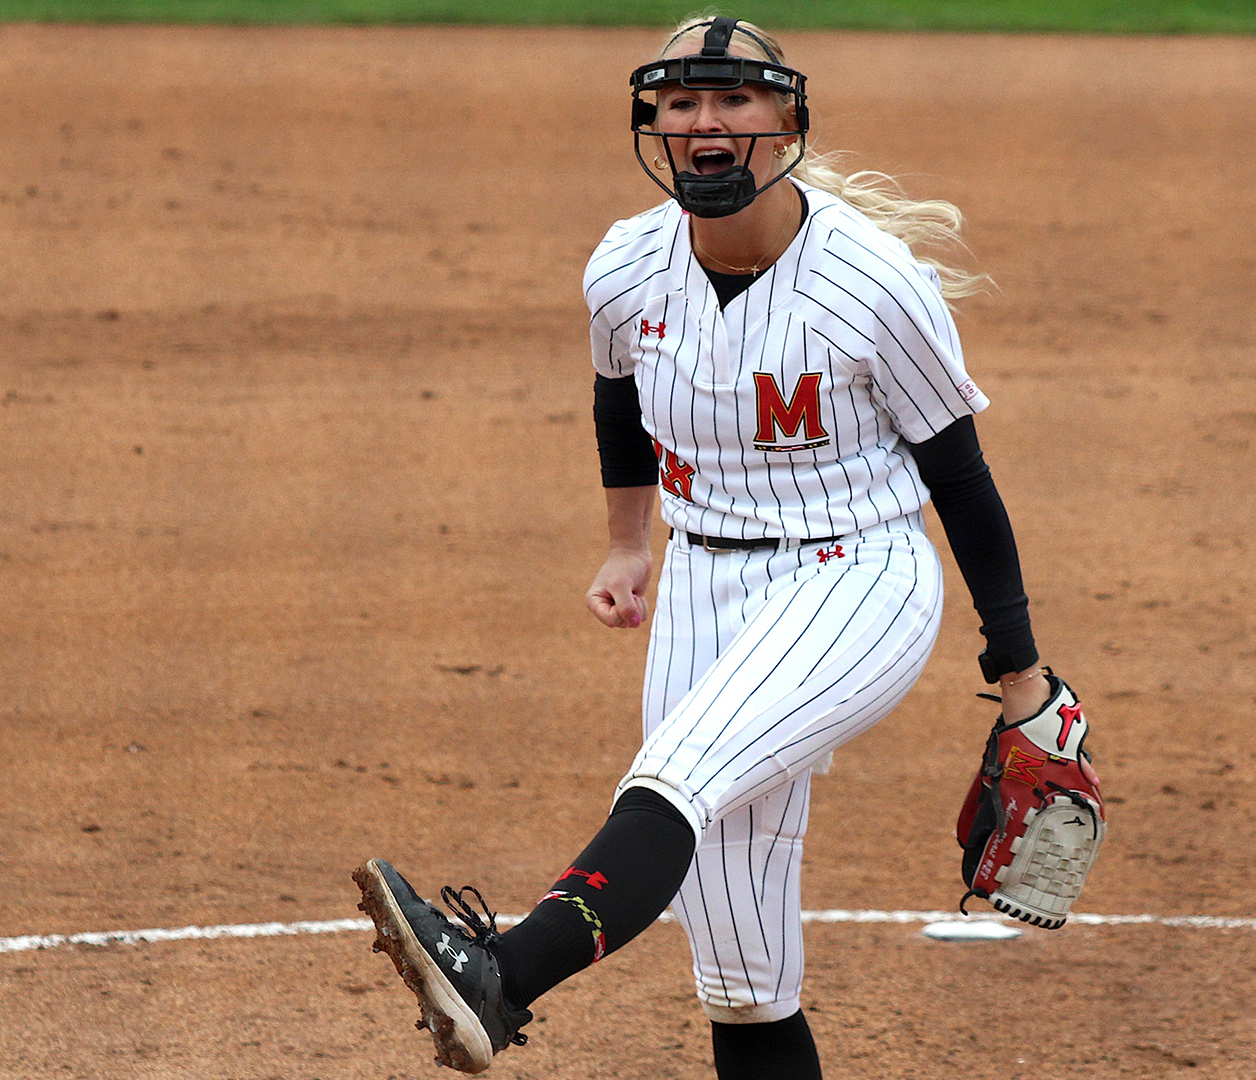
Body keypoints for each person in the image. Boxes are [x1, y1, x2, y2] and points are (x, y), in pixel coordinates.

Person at [355, 15, 1075, 1077]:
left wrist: (1020, 676)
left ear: (784, 119)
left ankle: (501, 975)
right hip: (700, 578)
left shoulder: (875, 285)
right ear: (656, 122)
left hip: (855, 572)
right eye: (682, 101)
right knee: (742, 978)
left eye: (734, 97)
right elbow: (618, 402)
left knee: (675, 775)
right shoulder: (626, 264)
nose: (705, 120)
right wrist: (626, 544)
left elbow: (960, 477)